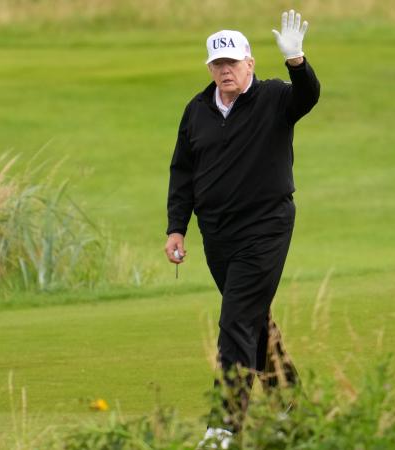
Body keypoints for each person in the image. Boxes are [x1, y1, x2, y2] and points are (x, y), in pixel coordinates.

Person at [164, 9, 320, 447]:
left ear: (249, 62)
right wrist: (176, 227)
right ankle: (292, 408)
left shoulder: (274, 97)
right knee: (253, 320)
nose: (225, 70)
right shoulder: (197, 110)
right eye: (218, 63)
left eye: (232, 62)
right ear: (210, 68)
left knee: (235, 321)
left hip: (265, 227)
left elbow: (308, 96)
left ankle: (224, 427)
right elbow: (182, 173)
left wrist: (296, 61)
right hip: (217, 234)